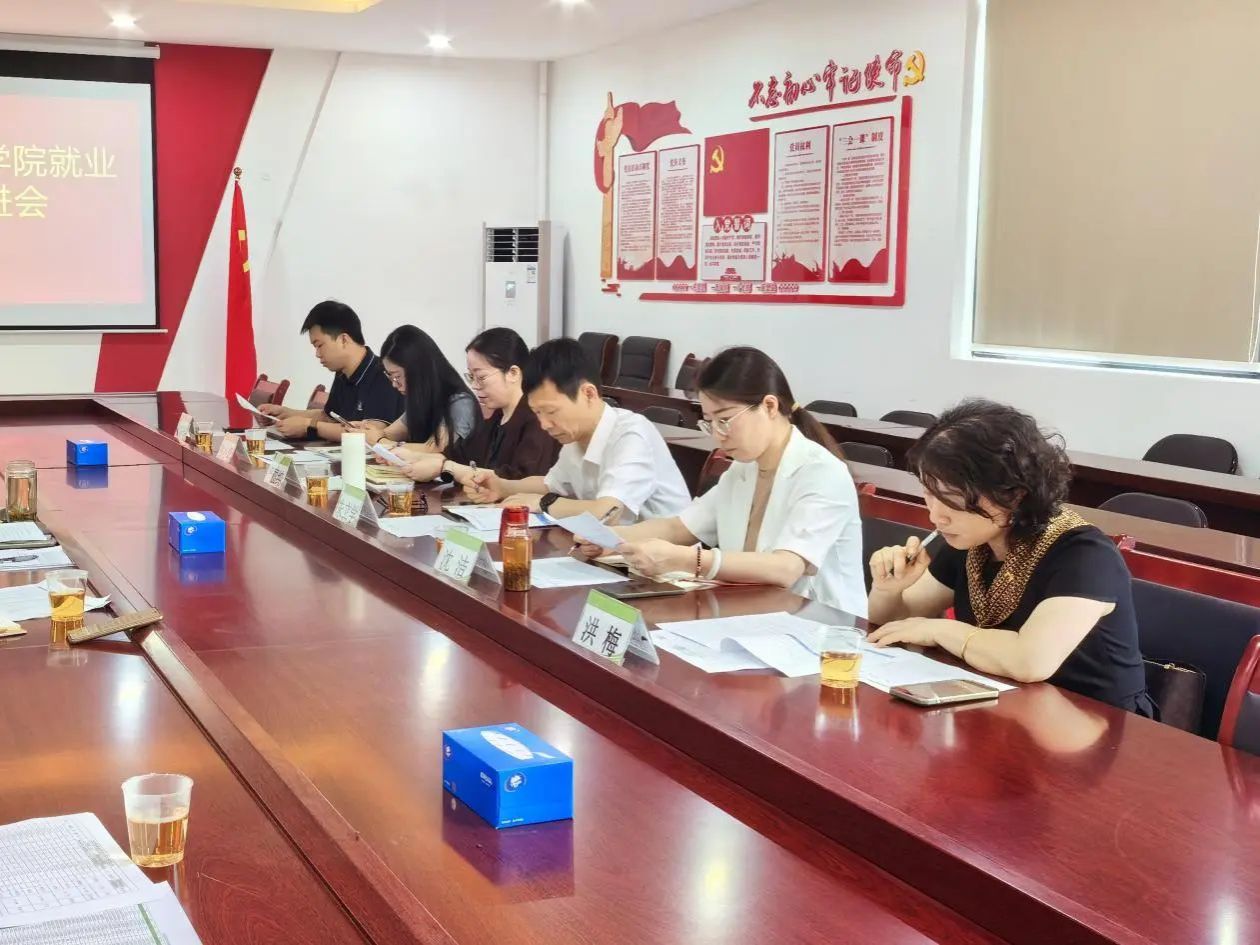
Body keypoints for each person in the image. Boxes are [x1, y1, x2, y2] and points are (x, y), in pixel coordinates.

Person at [866, 399, 1155, 716]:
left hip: (1096, 722)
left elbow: (1030, 661)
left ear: (1014, 494)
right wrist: (888, 589)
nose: (936, 516)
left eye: (952, 499)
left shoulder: (1085, 554)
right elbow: (895, 625)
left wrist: (938, 630)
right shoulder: (974, 539)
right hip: (1003, 706)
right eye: (929, 494)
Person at [574, 347, 866, 615]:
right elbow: (680, 528)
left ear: (769, 406)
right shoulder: (743, 469)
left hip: (822, 630)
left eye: (724, 420)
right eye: (709, 422)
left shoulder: (822, 472)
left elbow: (786, 568)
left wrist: (688, 560)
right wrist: (611, 539)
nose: (717, 435)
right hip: (754, 613)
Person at [465, 337, 690, 521]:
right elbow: (550, 485)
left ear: (588, 394)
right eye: (537, 413)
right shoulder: (576, 436)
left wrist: (544, 504)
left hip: (665, 557)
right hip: (611, 550)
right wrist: (501, 486)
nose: (544, 424)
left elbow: (609, 512)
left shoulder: (631, 434)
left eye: (551, 411)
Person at [400, 327, 559, 484]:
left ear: (513, 373)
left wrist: (444, 467)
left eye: (481, 377)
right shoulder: (497, 418)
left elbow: (519, 480)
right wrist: (411, 456)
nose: (475, 386)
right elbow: (458, 456)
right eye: (471, 377)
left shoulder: (538, 419)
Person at [261, 300, 402, 442]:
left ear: (344, 340)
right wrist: (286, 413)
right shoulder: (342, 373)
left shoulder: (383, 374)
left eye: (320, 345)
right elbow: (328, 417)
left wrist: (308, 427)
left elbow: (369, 433)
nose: (317, 354)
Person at [362, 325, 480, 455]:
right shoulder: (421, 399)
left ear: (418, 371)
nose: (394, 385)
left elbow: (434, 449)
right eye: (390, 376)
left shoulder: (460, 401)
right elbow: (388, 433)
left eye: (397, 377)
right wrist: (366, 431)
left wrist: (381, 442)